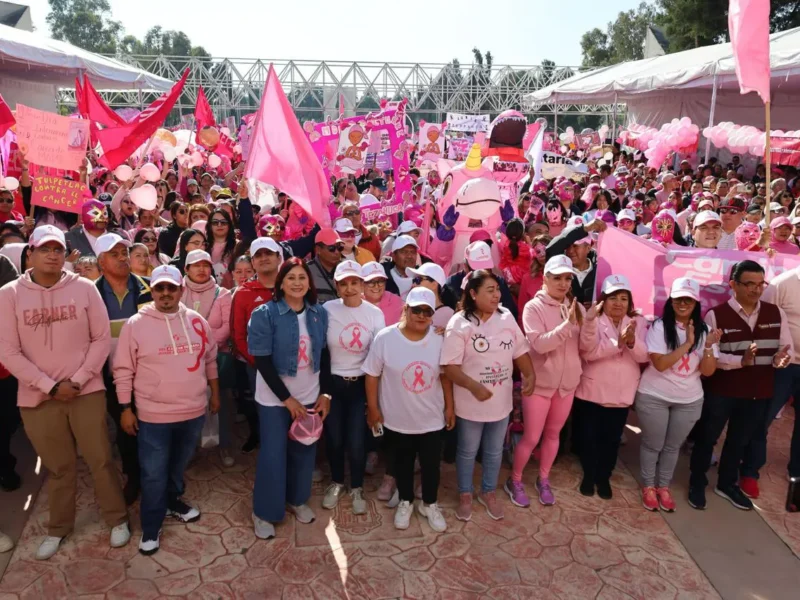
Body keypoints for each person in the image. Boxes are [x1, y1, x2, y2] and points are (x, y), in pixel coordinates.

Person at [0, 225, 129, 560]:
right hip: (37, 398)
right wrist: (50, 386)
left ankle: (117, 519)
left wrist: (80, 380)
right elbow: (8, 351)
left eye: (58, 249)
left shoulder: (85, 288)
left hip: (86, 392)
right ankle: (59, 528)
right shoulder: (10, 294)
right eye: (46, 249)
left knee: (100, 459)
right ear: (30, 253)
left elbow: (101, 339)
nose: (54, 255)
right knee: (59, 467)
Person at [114, 265, 219, 555]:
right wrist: (125, 408)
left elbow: (210, 358)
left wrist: (215, 394)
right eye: (159, 288)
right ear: (153, 291)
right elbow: (123, 369)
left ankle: (172, 502)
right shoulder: (135, 324)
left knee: (177, 464)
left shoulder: (197, 321)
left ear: (181, 290)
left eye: (171, 288)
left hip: (193, 411)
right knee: (153, 472)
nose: (165, 293)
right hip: (153, 415)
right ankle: (151, 524)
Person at [689, 261, 792, 510]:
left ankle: (726, 484)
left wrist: (781, 359)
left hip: (758, 392)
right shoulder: (716, 314)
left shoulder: (776, 313)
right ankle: (696, 482)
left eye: (760, 284)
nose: (756, 290)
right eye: (749, 284)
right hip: (722, 391)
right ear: (733, 284)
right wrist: (740, 361)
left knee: (739, 440)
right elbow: (710, 355)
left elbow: (784, 348)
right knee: (707, 438)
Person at [248, 258, 331, 540]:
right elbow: (261, 360)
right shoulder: (265, 314)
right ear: (281, 283)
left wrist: (325, 393)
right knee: (273, 454)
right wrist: (287, 399)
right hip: (274, 399)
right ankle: (265, 512)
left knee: (304, 450)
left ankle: (297, 499)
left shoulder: (319, 313)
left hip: (309, 395)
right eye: (291, 277)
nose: (297, 282)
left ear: (309, 282)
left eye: (302, 277)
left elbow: (324, 355)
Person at [441, 270, 534, 521]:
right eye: (489, 290)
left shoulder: (505, 317)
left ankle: (488, 491)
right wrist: (473, 386)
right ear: (473, 293)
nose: (497, 294)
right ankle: (465, 493)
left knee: (494, 451)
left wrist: (529, 374)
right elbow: (449, 366)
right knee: (467, 451)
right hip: (471, 402)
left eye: (497, 289)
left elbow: (520, 350)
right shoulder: (460, 322)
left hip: (500, 402)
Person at [364, 287, 455, 532]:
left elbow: (445, 376)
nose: (422, 316)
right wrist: (373, 409)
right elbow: (372, 375)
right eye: (417, 310)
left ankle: (429, 504)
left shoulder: (439, 339)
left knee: (430, 464)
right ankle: (405, 501)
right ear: (406, 309)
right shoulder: (385, 338)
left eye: (428, 311)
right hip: (397, 418)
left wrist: (450, 407)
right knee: (401, 462)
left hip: (431, 418)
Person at [636, 278, 720, 512]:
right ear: (671, 301)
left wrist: (710, 347)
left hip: (689, 400)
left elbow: (707, 371)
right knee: (653, 444)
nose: (683, 303)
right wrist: (688, 344)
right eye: (678, 298)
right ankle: (649, 486)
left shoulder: (705, 331)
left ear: (696, 303)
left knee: (673, 447)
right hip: (654, 395)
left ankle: (664, 486)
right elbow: (660, 364)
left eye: (688, 299)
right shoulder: (661, 327)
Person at [507, 255, 584, 508]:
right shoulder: (533, 307)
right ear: (545, 279)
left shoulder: (575, 307)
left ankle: (544, 478)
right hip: (539, 385)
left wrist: (591, 322)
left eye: (567, 278)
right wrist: (568, 324)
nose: (563, 283)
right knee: (531, 437)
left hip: (566, 385)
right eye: (557, 278)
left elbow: (584, 345)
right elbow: (539, 345)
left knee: (553, 435)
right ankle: (515, 481)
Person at [574, 275, 648, 499]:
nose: (618, 303)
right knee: (589, 437)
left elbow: (644, 356)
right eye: (613, 297)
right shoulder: (593, 320)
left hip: (622, 392)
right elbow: (587, 351)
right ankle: (589, 474)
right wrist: (618, 343)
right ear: (603, 301)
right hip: (593, 391)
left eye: (623, 298)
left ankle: (604, 476)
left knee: (612, 439)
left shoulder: (639, 322)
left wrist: (633, 342)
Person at [321, 261, 385, 514]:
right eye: (344, 283)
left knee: (358, 441)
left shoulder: (374, 314)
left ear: (362, 285)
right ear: (336, 286)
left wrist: (374, 400)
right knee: (335, 439)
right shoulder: (326, 310)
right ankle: (337, 481)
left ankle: (356, 486)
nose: (349, 288)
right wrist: (324, 390)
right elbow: (321, 352)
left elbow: (378, 354)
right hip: (334, 385)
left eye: (354, 282)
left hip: (361, 385)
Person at [95, 232, 153, 505]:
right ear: (100, 261)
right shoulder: (90, 293)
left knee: (153, 427)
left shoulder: (151, 288)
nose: (122, 258)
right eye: (114, 254)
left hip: (150, 373)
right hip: (109, 375)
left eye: (124, 253)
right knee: (125, 428)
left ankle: (157, 475)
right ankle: (134, 476)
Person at [743, 263, 800, 498]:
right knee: (761, 419)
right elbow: (760, 320)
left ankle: (796, 471)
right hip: (782, 366)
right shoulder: (782, 284)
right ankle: (748, 471)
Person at [182, 250, 235, 467]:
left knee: (222, 401)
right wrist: (191, 350)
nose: (202, 269)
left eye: (205, 265)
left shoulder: (221, 293)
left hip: (217, 356)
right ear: (186, 269)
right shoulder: (178, 291)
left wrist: (205, 349)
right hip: (184, 359)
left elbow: (227, 325)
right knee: (189, 404)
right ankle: (190, 446)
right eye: (196, 265)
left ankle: (225, 446)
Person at [230, 237, 283, 453]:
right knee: (264, 410)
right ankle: (269, 449)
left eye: (268, 253)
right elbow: (238, 334)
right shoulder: (243, 293)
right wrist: (259, 363)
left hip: (293, 365)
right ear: (252, 262)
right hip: (258, 367)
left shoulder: (292, 286)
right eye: (258, 255)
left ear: (279, 257)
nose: (264, 259)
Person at [442, 241, 518, 322]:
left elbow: (511, 314)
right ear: (465, 266)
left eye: (487, 268)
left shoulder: (499, 283)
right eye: (477, 269)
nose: (483, 273)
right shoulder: (451, 285)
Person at [307, 228, 344, 303]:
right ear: (318, 250)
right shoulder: (306, 271)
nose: (337, 252)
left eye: (339, 247)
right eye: (331, 248)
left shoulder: (346, 269)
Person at [362, 261, 404, 326]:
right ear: (362, 284)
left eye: (380, 281)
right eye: (371, 282)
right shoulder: (355, 303)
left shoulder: (397, 302)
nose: (376, 286)